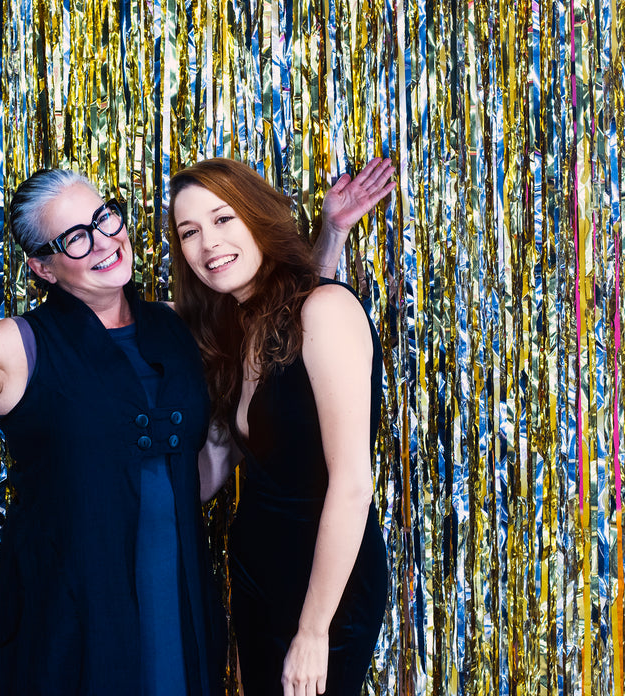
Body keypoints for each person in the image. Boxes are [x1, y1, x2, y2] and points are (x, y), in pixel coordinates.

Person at [0, 159, 392, 695]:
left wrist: (328, 237)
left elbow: (294, 350)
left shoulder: (177, 326)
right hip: (75, 608)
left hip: (182, 599)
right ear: (43, 267)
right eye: (74, 237)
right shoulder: (13, 346)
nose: (104, 242)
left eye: (104, 219)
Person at [168, 157, 393, 696]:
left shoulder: (328, 309)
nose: (208, 244)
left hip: (324, 583)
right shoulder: (238, 330)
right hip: (255, 570)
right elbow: (211, 475)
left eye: (224, 220)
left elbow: (352, 486)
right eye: (189, 232)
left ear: (259, 216)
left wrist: (313, 631)